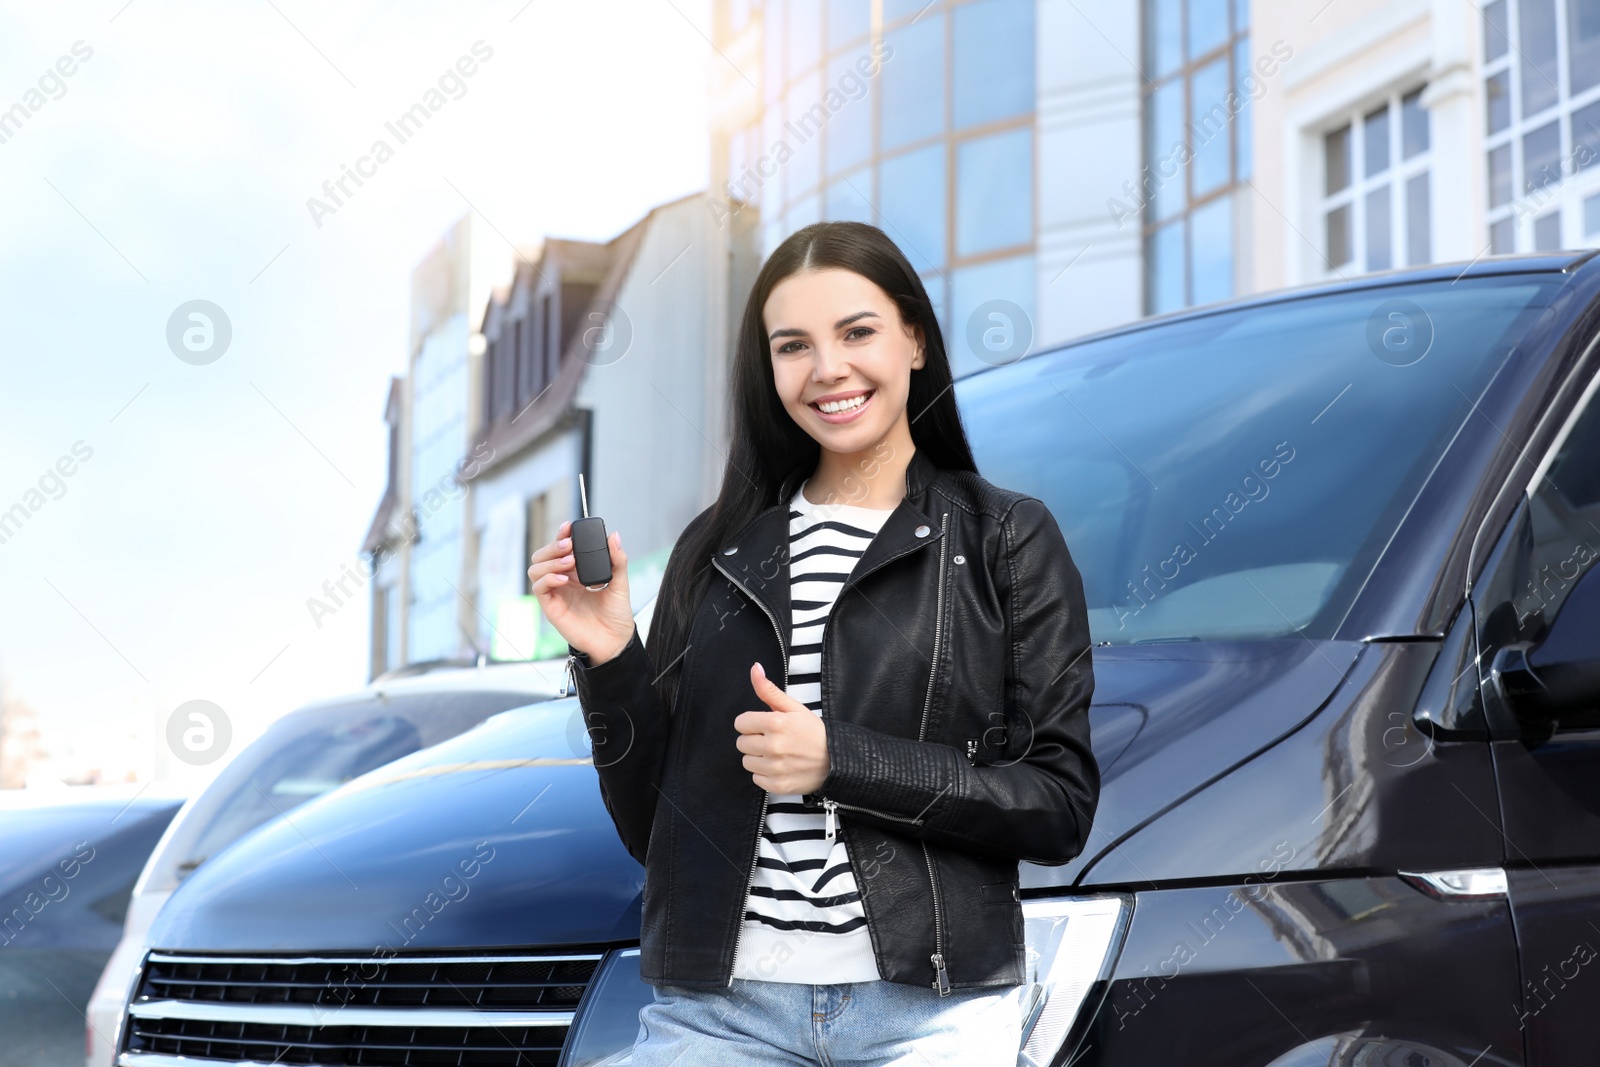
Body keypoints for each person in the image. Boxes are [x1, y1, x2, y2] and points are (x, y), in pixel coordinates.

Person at [527, 221, 1098, 1065]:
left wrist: (840, 759)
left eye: (857, 332)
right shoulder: (716, 549)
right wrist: (613, 658)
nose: (827, 369)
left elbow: (1058, 803)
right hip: (722, 1014)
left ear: (913, 338)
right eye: (793, 345)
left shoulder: (1006, 538)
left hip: (931, 1012)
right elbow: (659, 834)